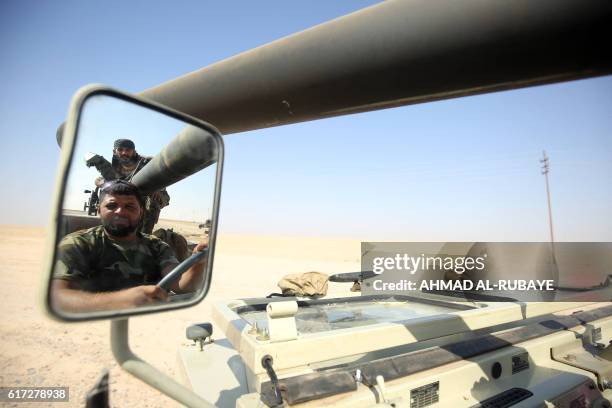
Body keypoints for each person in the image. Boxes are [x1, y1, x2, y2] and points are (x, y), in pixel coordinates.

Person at [52, 180, 207, 313]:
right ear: (99, 210)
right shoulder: (78, 244)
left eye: (130, 207)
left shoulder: (157, 246)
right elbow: (58, 296)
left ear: (141, 212)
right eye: (112, 206)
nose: (120, 211)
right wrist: (119, 301)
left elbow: (182, 284)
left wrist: (198, 260)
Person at [85, 138, 170, 233]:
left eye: (128, 150)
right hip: (120, 205)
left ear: (134, 151)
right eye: (120, 150)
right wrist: (104, 184)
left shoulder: (147, 164)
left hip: (144, 205)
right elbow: (100, 180)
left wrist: (156, 190)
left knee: (153, 199)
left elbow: (163, 194)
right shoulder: (115, 168)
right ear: (114, 151)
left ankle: (143, 236)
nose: (124, 153)